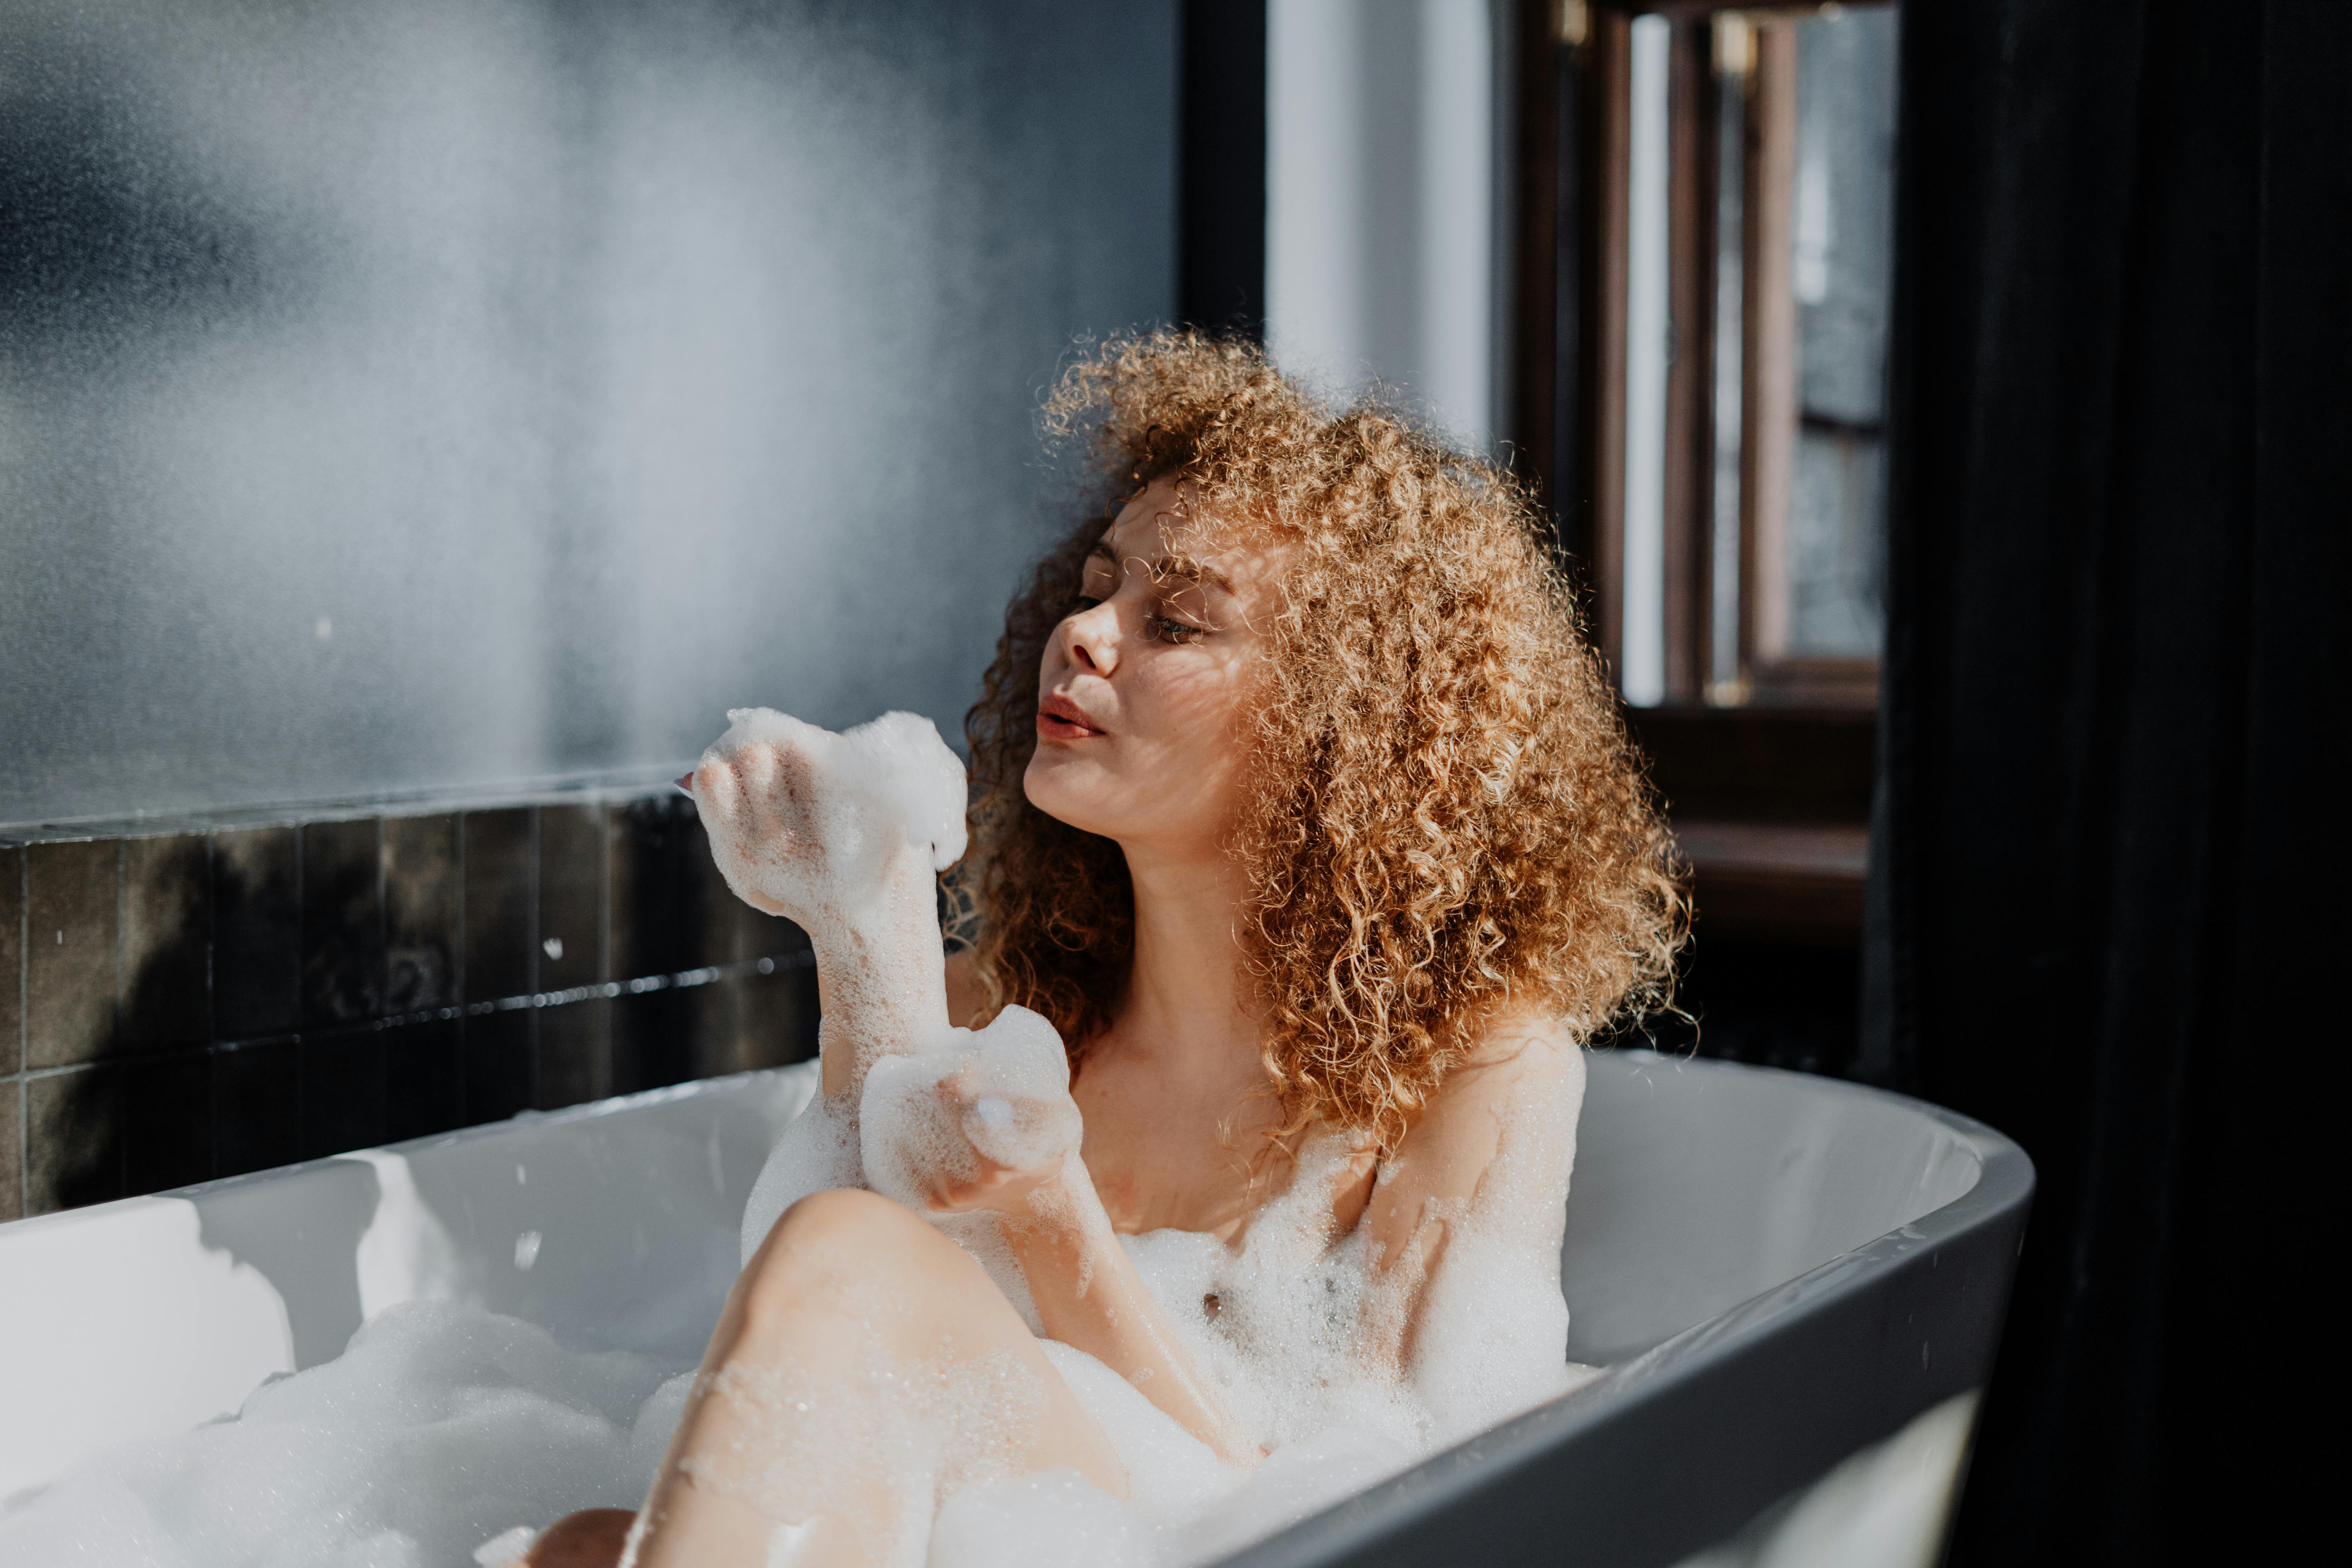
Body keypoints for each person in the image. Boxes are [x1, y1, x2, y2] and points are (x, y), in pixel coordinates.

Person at [525, 331, 1683, 1568]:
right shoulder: (1003, 1006)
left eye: (1175, 620)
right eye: (1095, 584)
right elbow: (826, 1365)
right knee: (582, 1545)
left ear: (1343, 729)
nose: (1086, 631)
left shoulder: (1482, 1066)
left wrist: (1052, 1213)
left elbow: (1354, 1507)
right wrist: (862, 933)